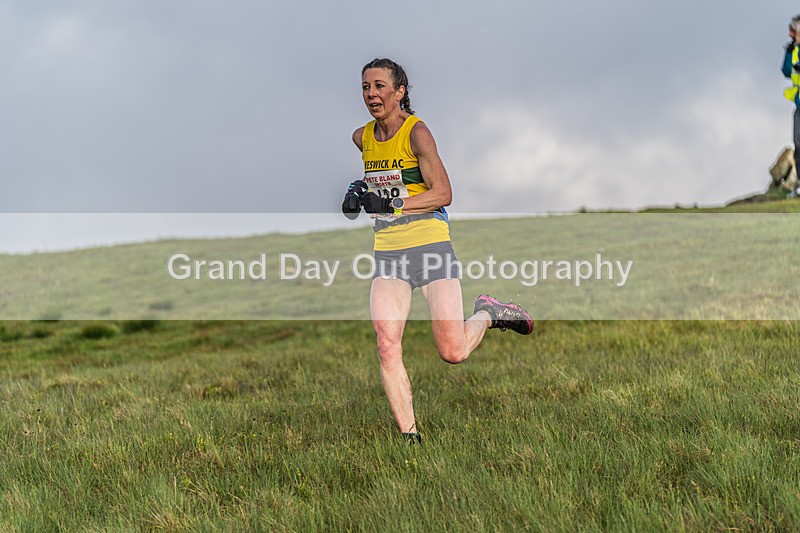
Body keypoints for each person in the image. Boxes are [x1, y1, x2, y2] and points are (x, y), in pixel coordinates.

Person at [341, 58, 533, 443]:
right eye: (365, 87)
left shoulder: (418, 133)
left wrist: (392, 204)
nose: (371, 94)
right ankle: (410, 438)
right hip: (388, 254)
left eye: (380, 86)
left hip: (430, 247)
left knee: (453, 351)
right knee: (386, 343)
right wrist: (359, 191)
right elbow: (382, 177)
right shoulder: (361, 137)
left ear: (400, 92)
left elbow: (443, 193)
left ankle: (489, 313)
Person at [782, 15, 800, 198]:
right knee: (799, 143)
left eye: (793, 29)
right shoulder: (793, 49)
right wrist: (791, 50)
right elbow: (786, 70)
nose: (790, 33)